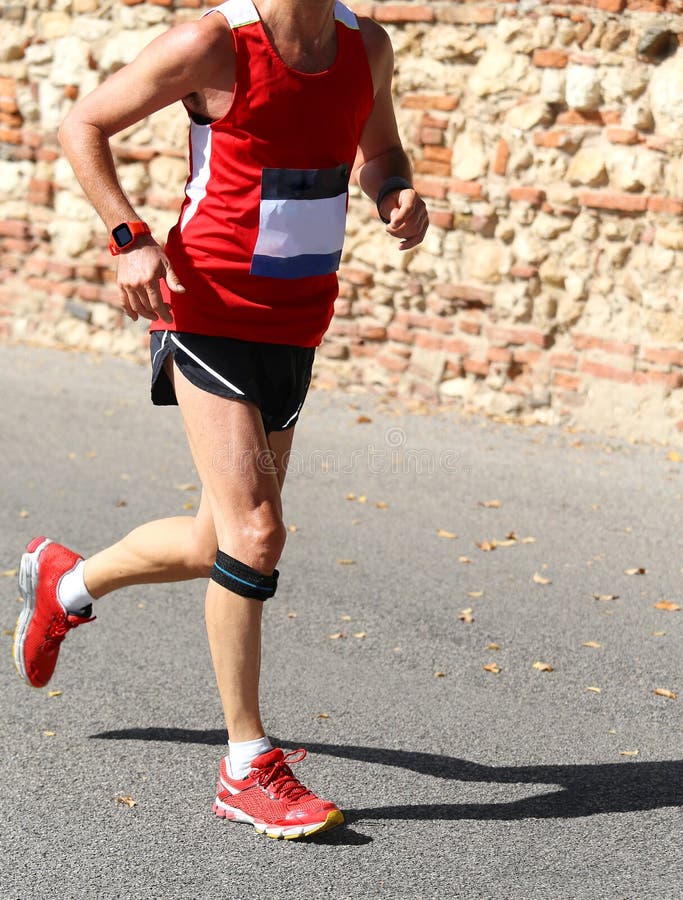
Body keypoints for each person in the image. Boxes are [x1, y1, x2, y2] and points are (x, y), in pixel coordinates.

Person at [13, 0, 428, 839]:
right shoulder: (213, 42)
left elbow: (378, 151)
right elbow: (81, 125)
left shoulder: (365, 46)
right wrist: (128, 235)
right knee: (258, 531)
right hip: (207, 311)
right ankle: (246, 764)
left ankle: (63, 584)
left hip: (297, 321)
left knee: (218, 539)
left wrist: (396, 191)